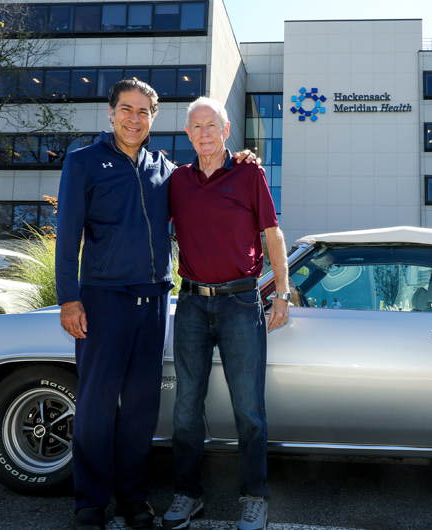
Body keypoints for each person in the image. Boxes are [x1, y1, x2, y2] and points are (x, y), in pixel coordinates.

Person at [55, 80, 255, 530]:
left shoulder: (164, 169)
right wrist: (69, 299)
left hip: (153, 302)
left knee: (143, 408)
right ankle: (90, 502)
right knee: (96, 405)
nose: (134, 118)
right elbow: (66, 237)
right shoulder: (83, 163)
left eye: (144, 112)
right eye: (126, 109)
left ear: (154, 119)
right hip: (103, 301)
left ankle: (133, 498)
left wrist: (242, 159)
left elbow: (208, 176)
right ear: (111, 113)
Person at [161, 96, 289, 530]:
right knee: (185, 408)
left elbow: (273, 234)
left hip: (240, 303)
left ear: (227, 129)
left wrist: (283, 293)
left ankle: (255, 495)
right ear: (187, 134)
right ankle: (187, 494)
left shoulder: (250, 172)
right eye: (195, 127)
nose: (204, 133)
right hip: (193, 303)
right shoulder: (176, 181)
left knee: (249, 408)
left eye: (211, 125)